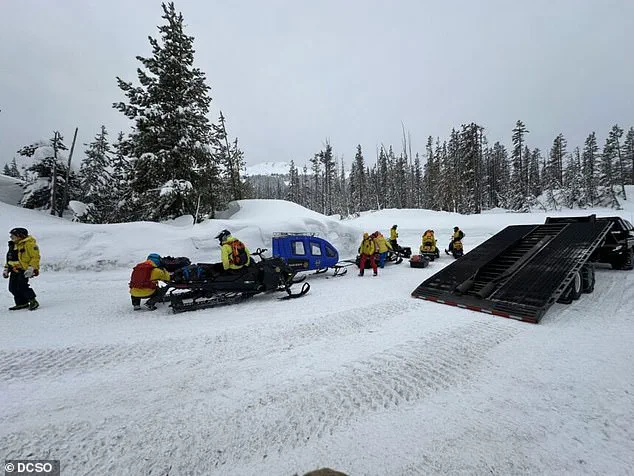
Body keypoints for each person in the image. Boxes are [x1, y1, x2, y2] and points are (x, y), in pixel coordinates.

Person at [3, 228, 40, 310]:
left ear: (20, 236)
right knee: (12, 287)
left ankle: (33, 301)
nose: (11, 237)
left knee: (22, 286)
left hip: (24, 269)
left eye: (13, 235)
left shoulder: (29, 244)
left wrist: (32, 268)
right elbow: (9, 258)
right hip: (13, 269)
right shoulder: (13, 245)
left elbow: (35, 257)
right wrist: (6, 268)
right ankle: (22, 303)